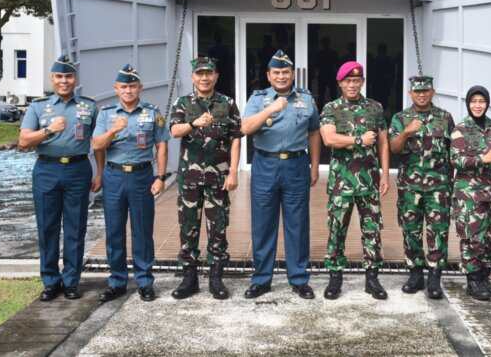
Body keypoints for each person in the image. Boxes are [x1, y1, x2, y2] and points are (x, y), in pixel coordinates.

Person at [19, 55, 100, 301]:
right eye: (59, 76)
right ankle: (51, 281)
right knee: (47, 226)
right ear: (52, 79)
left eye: (68, 76)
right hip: (47, 170)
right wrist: (48, 130)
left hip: (78, 169)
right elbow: (23, 141)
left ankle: (72, 281)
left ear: (75, 79)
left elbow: (98, 144)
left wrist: (100, 172)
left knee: (76, 227)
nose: (64, 81)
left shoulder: (89, 106)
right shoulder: (38, 107)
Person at [241, 50, 321, 300]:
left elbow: (314, 132)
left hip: (297, 165)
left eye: (286, 72)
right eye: (276, 72)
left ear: (292, 74)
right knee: (263, 224)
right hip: (265, 164)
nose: (282, 76)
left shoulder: (306, 99)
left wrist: (315, 166)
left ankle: (298, 278)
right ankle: (261, 279)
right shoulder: (258, 98)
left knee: (297, 224)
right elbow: (244, 128)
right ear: (268, 75)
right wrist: (271, 110)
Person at [92, 64, 170, 303]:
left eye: (133, 86)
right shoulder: (106, 114)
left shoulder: (152, 111)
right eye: (124, 86)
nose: (128, 90)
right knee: (114, 230)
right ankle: (117, 281)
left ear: (140, 88)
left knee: (142, 231)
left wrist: (160, 177)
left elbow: (161, 145)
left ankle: (145, 281)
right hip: (114, 176)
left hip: (142, 176)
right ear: (116, 89)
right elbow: (97, 145)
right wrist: (114, 130)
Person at [169, 56, 241, 300]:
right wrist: (193, 123)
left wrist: (233, 171)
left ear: (216, 76)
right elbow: (174, 131)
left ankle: (216, 279)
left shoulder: (227, 103)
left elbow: (236, 137)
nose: (204, 78)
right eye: (200, 74)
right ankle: (189, 280)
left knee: (218, 228)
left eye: (209, 73)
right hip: (189, 179)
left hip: (218, 179)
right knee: (188, 228)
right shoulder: (183, 103)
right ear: (193, 77)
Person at [319, 61, 390, 300]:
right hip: (342, 182)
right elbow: (329, 139)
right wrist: (359, 140)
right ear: (340, 83)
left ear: (362, 82)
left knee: (372, 230)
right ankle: (335, 277)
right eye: (348, 81)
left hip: (369, 181)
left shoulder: (375, 108)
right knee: (337, 229)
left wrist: (386, 174)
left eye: (356, 80)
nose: (352, 84)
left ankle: (372, 277)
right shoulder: (331, 108)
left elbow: (382, 142)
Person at [389, 75, 454, 299]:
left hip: (439, 186)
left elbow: (452, 152)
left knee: (438, 231)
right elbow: (394, 148)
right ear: (411, 94)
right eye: (417, 92)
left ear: (432, 92)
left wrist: (451, 185)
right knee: (411, 230)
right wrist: (407, 131)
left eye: (426, 91)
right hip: (410, 186)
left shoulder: (445, 118)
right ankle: (415, 272)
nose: (422, 95)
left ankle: (435, 276)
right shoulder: (400, 117)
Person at [450, 85, 491, 301]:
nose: (478, 105)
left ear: (487, 104)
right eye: (474, 101)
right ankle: (473, 280)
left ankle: (484, 276)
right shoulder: (460, 129)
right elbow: (456, 160)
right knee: (473, 238)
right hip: (470, 195)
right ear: (468, 104)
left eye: (482, 101)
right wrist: (481, 159)